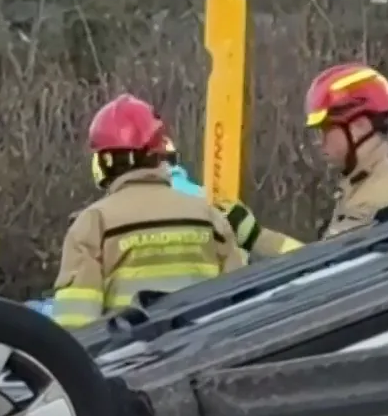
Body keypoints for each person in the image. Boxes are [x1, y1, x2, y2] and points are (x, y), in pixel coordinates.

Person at [48, 94, 245, 328]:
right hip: (210, 356)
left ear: (108, 159)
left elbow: (75, 324)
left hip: (130, 360)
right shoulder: (207, 215)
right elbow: (238, 300)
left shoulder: (94, 223)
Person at [220, 63, 388, 258]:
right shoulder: (363, 185)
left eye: (327, 129)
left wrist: (255, 238)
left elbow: (322, 272)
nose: (320, 142)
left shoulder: (377, 205)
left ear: (359, 126)